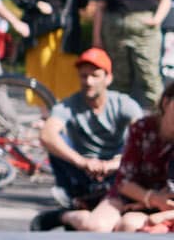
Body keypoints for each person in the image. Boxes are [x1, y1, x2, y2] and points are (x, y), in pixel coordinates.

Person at [30, 48, 142, 227]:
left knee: (139, 145)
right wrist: (82, 161)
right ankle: (72, 196)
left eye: (95, 76)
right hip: (81, 170)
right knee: (54, 140)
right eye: (83, 76)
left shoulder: (123, 104)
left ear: (108, 78)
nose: (88, 82)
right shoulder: (69, 104)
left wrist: (117, 162)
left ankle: (77, 209)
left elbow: (145, 135)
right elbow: (47, 134)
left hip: (116, 169)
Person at [64, 81, 174, 233]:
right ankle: (65, 216)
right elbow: (124, 182)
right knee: (96, 227)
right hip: (130, 194)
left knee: (130, 226)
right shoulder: (142, 129)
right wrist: (151, 198)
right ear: (166, 102)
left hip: (163, 206)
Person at [93, 0, 169, 105]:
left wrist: (157, 19)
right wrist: (96, 38)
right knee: (117, 79)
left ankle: (159, 119)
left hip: (144, 31)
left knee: (149, 76)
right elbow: (99, 8)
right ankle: (120, 119)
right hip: (115, 31)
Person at [17, 0, 87, 101]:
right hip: (41, 29)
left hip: (65, 30)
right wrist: (36, 4)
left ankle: (64, 106)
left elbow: (82, 3)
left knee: (66, 69)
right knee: (41, 67)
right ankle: (44, 109)